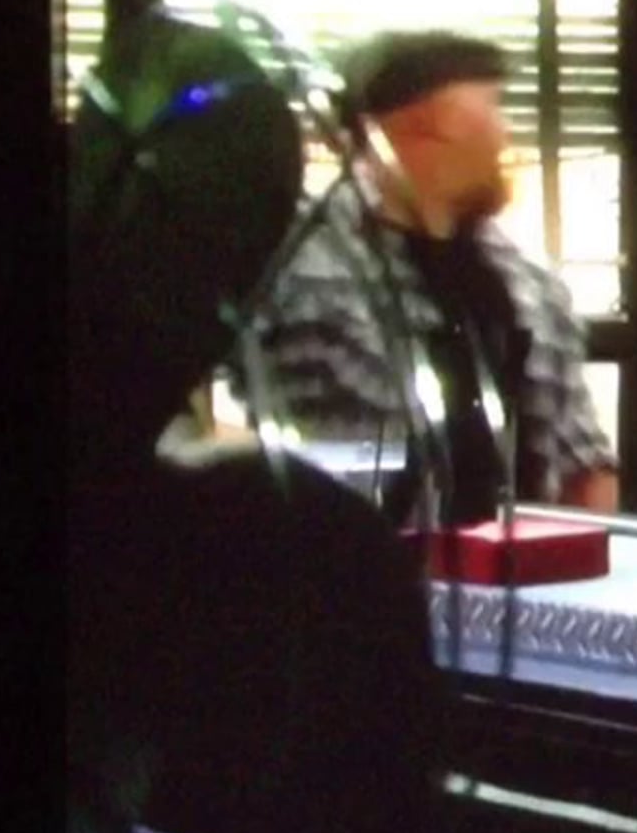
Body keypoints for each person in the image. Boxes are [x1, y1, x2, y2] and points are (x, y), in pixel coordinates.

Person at [251, 30, 618, 524]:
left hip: (514, 564)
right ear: (427, 122)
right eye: (492, 107)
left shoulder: (531, 284)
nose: (506, 134)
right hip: (340, 558)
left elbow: (584, 467)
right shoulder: (297, 260)